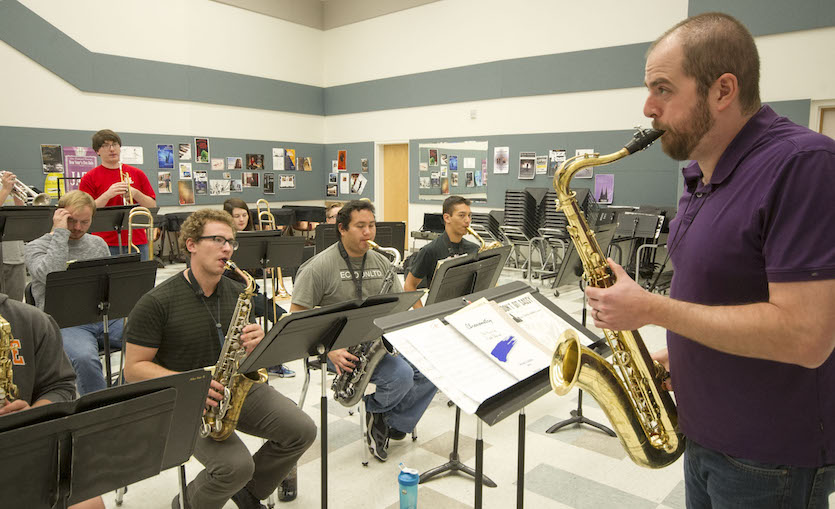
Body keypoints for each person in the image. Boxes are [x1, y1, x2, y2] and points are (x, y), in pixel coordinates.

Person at [584, 12, 835, 508]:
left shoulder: (804, 164)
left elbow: (807, 337)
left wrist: (652, 309)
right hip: (703, 437)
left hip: (770, 459)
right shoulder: (700, 173)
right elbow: (726, 295)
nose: (648, 107)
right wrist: (682, 355)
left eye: (663, 89)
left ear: (722, 90)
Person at [123, 208, 316, 509]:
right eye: (217, 239)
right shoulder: (156, 302)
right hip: (184, 398)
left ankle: (248, 491)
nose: (227, 248)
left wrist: (258, 345)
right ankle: (188, 503)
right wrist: (191, 385)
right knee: (235, 467)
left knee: (302, 430)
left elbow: (249, 357)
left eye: (231, 242)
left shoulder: (239, 292)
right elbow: (133, 370)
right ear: (191, 244)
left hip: (234, 387)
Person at [290, 200, 436, 462]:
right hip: (335, 349)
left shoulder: (381, 263)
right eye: (360, 226)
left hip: (375, 344)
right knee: (401, 376)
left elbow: (396, 307)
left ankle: (389, 420)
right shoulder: (318, 267)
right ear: (342, 229)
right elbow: (297, 316)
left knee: (431, 368)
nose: (368, 232)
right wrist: (330, 349)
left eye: (371, 226)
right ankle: (379, 411)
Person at [0, 293, 105, 509]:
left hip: (22, 451)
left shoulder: (31, 321)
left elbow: (60, 387)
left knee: (90, 504)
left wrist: (31, 416)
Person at [24, 191, 123, 395]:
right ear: (59, 216)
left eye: (85, 222)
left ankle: (125, 393)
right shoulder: (35, 247)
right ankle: (99, 410)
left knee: (149, 337)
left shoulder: (98, 244)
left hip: (102, 316)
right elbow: (51, 274)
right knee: (85, 358)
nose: (78, 228)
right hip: (64, 322)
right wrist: (60, 233)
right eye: (72, 221)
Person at [222, 198, 294, 378]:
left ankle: (274, 362)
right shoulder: (223, 241)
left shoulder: (254, 238)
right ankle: (253, 365)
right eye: (236, 216)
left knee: (281, 316)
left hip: (252, 292)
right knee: (252, 324)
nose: (241, 219)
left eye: (244, 215)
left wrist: (265, 262)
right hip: (232, 295)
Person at [80, 129, 157, 260]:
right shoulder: (89, 178)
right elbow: (83, 211)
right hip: (104, 242)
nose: (112, 149)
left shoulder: (137, 173)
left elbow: (152, 206)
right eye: (105, 145)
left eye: (115, 144)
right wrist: (107, 195)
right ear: (97, 151)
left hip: (137, 239)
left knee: (141, 279)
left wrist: (136, 193)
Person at [404, 196, 479, 308]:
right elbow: (409, 286)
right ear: (447, 218)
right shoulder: (430, 250)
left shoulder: (474, 249)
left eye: (469, 215)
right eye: (462, 215)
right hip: (440, 311)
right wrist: (423, 315)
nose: (468, 220)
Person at [0, 171, 25, 301]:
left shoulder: (4, 181)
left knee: (16, 308)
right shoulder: (4, 186)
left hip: (16, 254)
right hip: (2, 257)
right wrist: (5, 190)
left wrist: (17, 194)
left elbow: (22, 216)